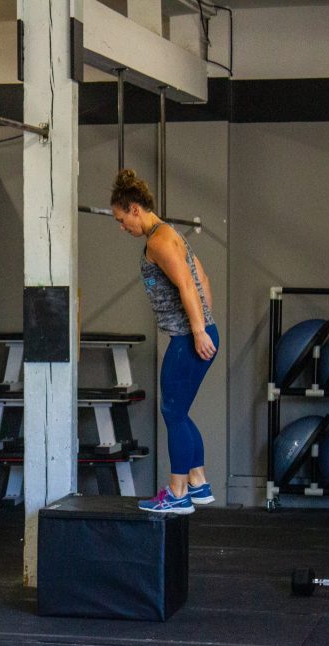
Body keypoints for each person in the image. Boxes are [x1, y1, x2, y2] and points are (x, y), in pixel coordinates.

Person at [109, 168, 218, 515]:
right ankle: (198, 482)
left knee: (172, 412)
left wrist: (198, 330)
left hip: (189, 337)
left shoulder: (159, 240)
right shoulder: (170, 236)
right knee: (179, 412)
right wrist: (206, 323)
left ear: (135, 208)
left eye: (121, 218)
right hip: (195, 333)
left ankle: (177, 493)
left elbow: (188, 285)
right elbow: (202, 275)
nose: (121, 226)